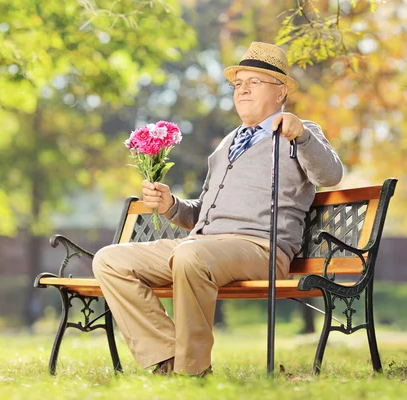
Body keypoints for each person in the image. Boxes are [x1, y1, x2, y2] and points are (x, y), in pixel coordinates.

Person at [92, 42, 343, 376]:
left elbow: (331, 175)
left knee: (190, 257)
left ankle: (191, 371)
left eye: (254, 82)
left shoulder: (301, 131)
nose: (242, 90)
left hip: (260, 249)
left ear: (281, 91)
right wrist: (172, 206)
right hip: (201, 246)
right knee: (110, 259)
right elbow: (203, 214)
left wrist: (302, 137)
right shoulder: (228, 141)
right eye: (238, 84)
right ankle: (167, 358)